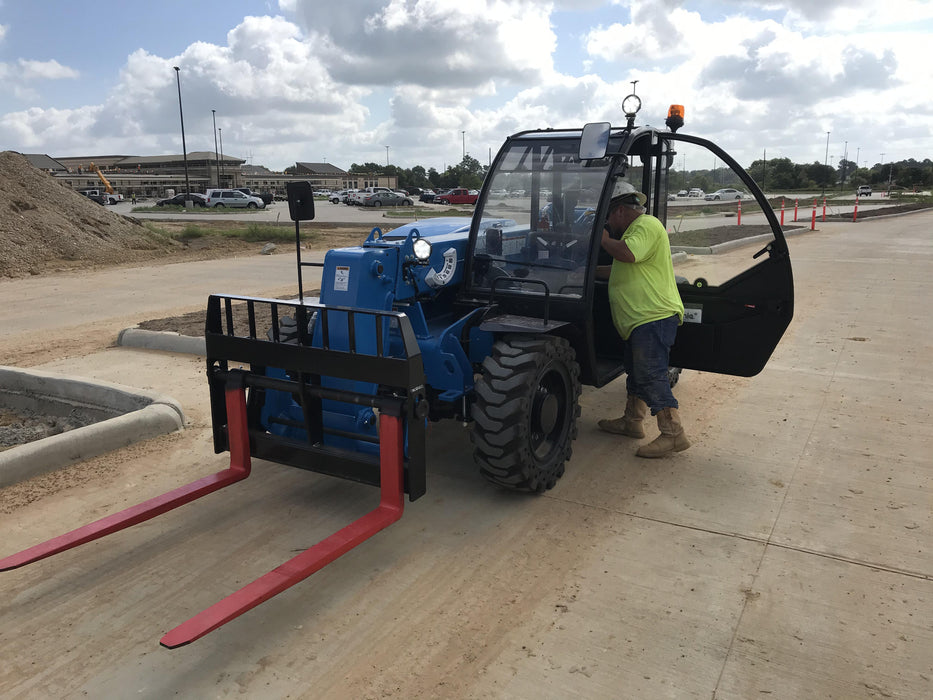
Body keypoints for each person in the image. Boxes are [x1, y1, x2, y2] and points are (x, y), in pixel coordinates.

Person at [597, 181, 690, 458]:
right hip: (640, 320)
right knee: (636, 373)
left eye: (608, 217)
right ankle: (632, 421)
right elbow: (618, 267)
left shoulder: (646, 225)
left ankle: (674, 433)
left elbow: (627, 254)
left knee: (650, 374)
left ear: (621, 211)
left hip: (653, 316)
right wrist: (581, 273)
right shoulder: (635, 233)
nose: (609, 224)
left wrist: (602, 239)